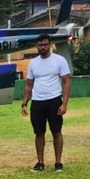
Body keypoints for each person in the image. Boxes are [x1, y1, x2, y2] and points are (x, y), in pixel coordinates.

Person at [21, 34, 71, 171]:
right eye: (40, 45)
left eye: (45, 44)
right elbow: (29, 85)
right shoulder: (33, 63)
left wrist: (64, 104)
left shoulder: (59, 60)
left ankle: (58, 162)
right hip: (37, 102)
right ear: (37, 46)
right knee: (39, 133)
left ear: (50, 45)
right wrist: (24, 103)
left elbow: (66, 82)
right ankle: (40, 162)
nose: (42, 47)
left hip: (54, 100)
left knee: (56, 132)